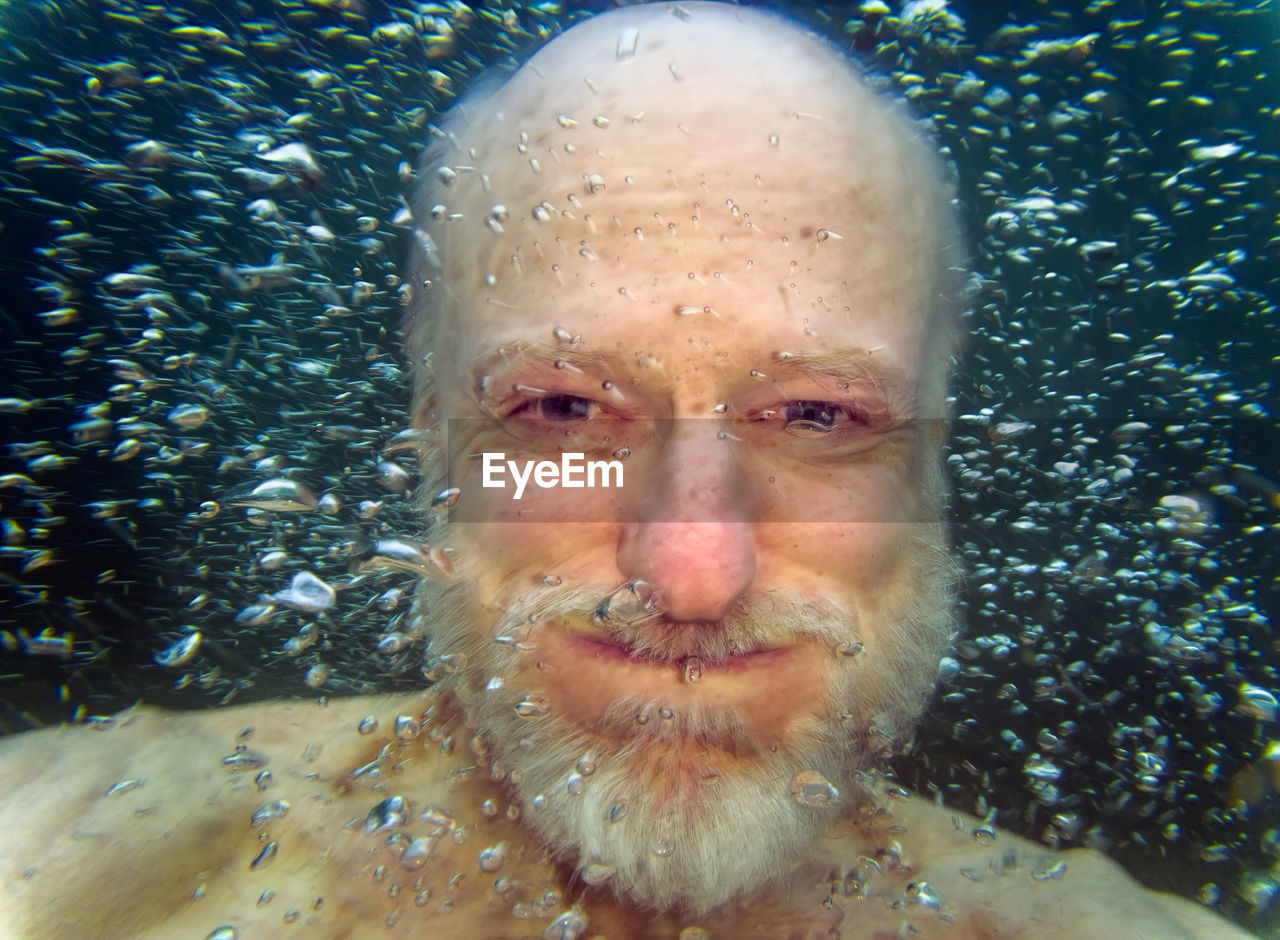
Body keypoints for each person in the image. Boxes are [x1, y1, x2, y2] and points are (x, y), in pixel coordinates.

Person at [0, 4, 1253, 938]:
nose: (692, 570)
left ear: (934, 453)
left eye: (817, 413)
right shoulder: (58, 862)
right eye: (559, 408)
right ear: (431, 438)